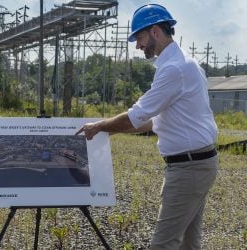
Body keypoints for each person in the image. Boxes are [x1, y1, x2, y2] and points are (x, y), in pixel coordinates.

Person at [76, 4, 218, 249]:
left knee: (163, 244)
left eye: (139, 38)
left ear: (154, 32)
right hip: (197, 163)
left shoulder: (174, 69)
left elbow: (136, 116)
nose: (138, 45)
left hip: (189, 168)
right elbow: (152, 121)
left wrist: (100, 125)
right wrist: (110, 129)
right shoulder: (185, 64)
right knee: (188, 242)